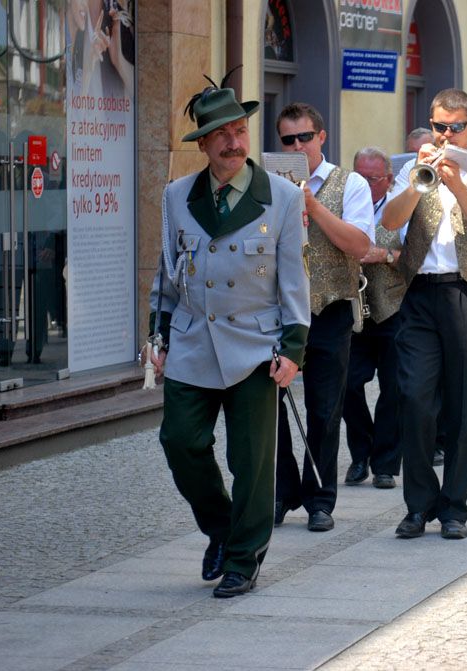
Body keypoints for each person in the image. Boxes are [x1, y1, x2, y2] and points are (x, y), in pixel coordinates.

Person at [148, 81, 310, 598]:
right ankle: (221, 529)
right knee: (180, 441)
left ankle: (243, 559)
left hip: (255, 346)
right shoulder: (177, 195)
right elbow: (167, 271)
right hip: (193, 339)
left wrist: (294, 348)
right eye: (221, 135)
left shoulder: (282, 198)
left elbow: (293, 281)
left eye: (239, 131)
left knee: (252, 462)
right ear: (204, 144)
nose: (233, 143)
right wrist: (159, 331)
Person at [381, 88, 467, 540]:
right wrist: (422, 182)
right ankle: (418, 505)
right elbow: (390, 223)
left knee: (463, 404)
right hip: (419, 293)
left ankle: (454, 508)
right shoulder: (413, 166)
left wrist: (459, 185)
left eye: (455, 127)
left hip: (466, 292)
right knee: (415, 399)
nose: (446, 135)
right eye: (440, 126)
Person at [273, 102, 374, 531]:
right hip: (278, 311)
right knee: (267, 406)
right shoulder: (267, 184)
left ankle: (320, 499)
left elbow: (359, 245)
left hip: (330, 307)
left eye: (305, 138)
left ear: (321, 138)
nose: (298, 146)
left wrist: (311, 205)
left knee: (324, 408)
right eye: (288, 140)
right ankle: (281, 491)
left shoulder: (349, 183)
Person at [341, 147, 406, 489]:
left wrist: (386, 254)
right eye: (360, 177)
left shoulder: (401, 207)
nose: (365, 185)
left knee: (393, 391)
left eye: (373, 178)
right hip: (354, 311)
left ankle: (385, 464)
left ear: (389, 179)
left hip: (393, 310)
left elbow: (417, 257)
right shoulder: (345, 204)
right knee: (347, 385)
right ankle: (360, 453)